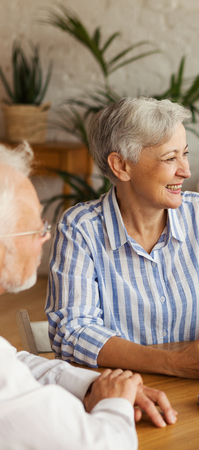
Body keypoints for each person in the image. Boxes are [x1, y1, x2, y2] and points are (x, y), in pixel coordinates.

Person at [45, 97, 199, 379]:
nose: (186, 170)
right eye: (170, 158)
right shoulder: (81, 229)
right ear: (121, 166)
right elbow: (74, 331)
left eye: (185, 154)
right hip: (119, 394)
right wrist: (174, 364)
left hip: (195, 388)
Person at [0, 143, 177, 449]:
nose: (46, 236)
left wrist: (97, 384)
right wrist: (113, 404)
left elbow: (12, 362)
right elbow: (102, 445)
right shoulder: (81, 226)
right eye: (35, 228)